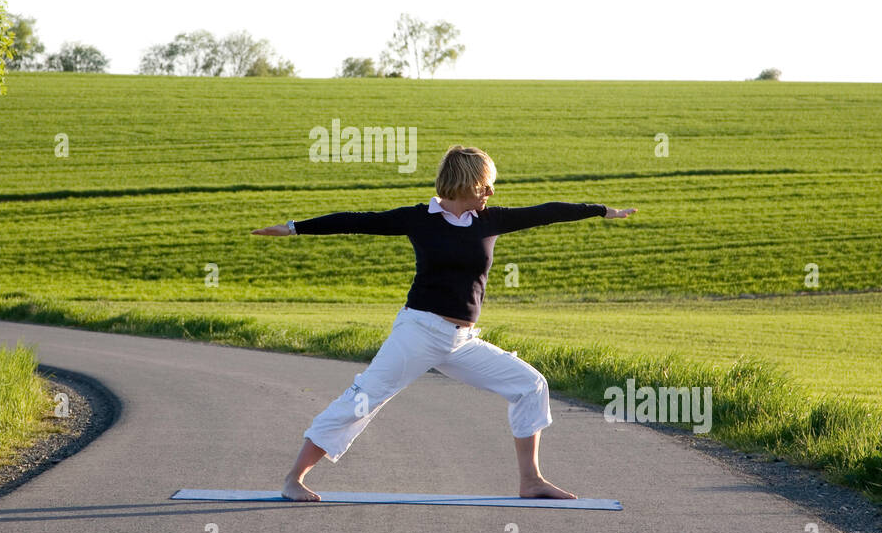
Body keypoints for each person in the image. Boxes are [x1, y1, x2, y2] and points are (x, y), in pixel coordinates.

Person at [252, 144, 636, 501]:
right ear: (467, 183)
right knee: (363, 399)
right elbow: (357, 220)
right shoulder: (420, 220)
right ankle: (294, 479)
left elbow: (546, 212)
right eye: (486, 186)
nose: (491, 194)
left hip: (461, 340)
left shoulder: (489, 221)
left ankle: (530, 480)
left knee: (530, 385)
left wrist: (601, 210)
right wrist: (294, 227)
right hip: (418, 332)